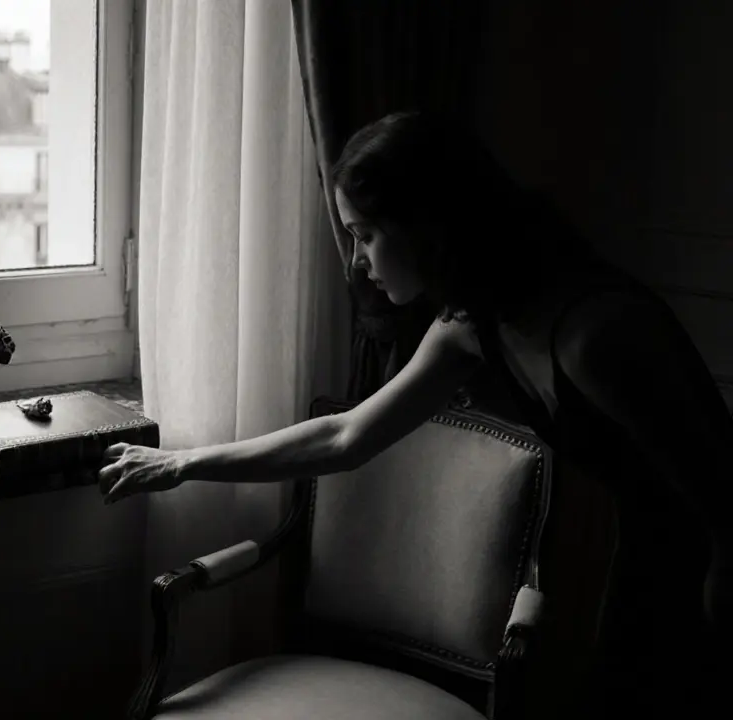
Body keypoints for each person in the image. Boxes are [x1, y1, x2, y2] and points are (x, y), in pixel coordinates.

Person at [98, 110, 731, 718]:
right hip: (646, 560)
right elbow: (345, 436)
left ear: (426, 225)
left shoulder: (595, 334)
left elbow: (721, 493)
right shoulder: (473, 323)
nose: (357, 261)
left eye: (365, 235)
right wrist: (182, 463)